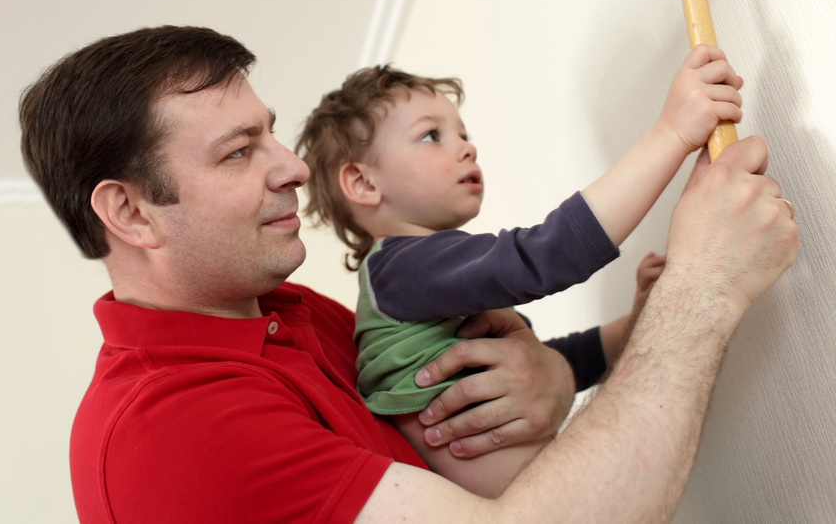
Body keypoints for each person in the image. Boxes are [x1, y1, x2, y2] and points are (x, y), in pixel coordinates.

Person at [19, 25, 797, 523]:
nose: (291, 168)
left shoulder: (302, 315)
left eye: (271, 136)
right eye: (237, 151)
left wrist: (551, 376)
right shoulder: (171, 429)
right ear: (130, 212)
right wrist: (702, 285)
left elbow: (443, 433)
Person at [293, 58, 735, 495]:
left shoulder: (422, 283)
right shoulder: (401, 270)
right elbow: (544, 256)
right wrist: (672, 133)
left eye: (463, 134)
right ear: (364, 184)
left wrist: (632, 325)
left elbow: (545, 367)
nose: (467, 147)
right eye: (432, 135)